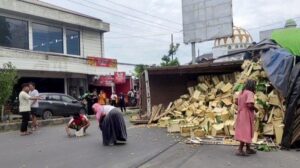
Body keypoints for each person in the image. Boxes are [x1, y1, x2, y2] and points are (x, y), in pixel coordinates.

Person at [235, 79, 257, 156]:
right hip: (246, 114)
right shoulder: (250, 93)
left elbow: (236, 102)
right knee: (246, 131)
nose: (255, 87)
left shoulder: (242, 92)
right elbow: (250, 105)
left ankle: (248, 148)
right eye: (255, 85)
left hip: (241, 113)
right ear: (252, 85)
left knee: (245, 130)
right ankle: (240, 149)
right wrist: (255, 108)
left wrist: (241, 105)